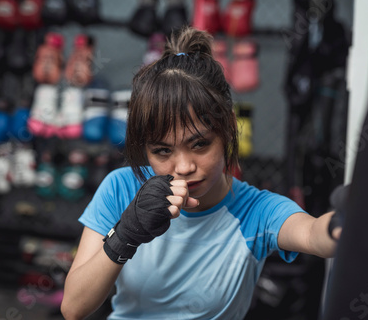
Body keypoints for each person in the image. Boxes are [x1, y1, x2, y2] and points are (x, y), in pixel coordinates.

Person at [61, 26, 341, 320]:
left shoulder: (256, 212)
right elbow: (73, 308)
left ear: (228, 129)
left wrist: (348, 220)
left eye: (200, 144)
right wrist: (125, 235)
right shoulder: (122, 187)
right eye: (163, 151)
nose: (184, 167)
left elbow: (313, 235)